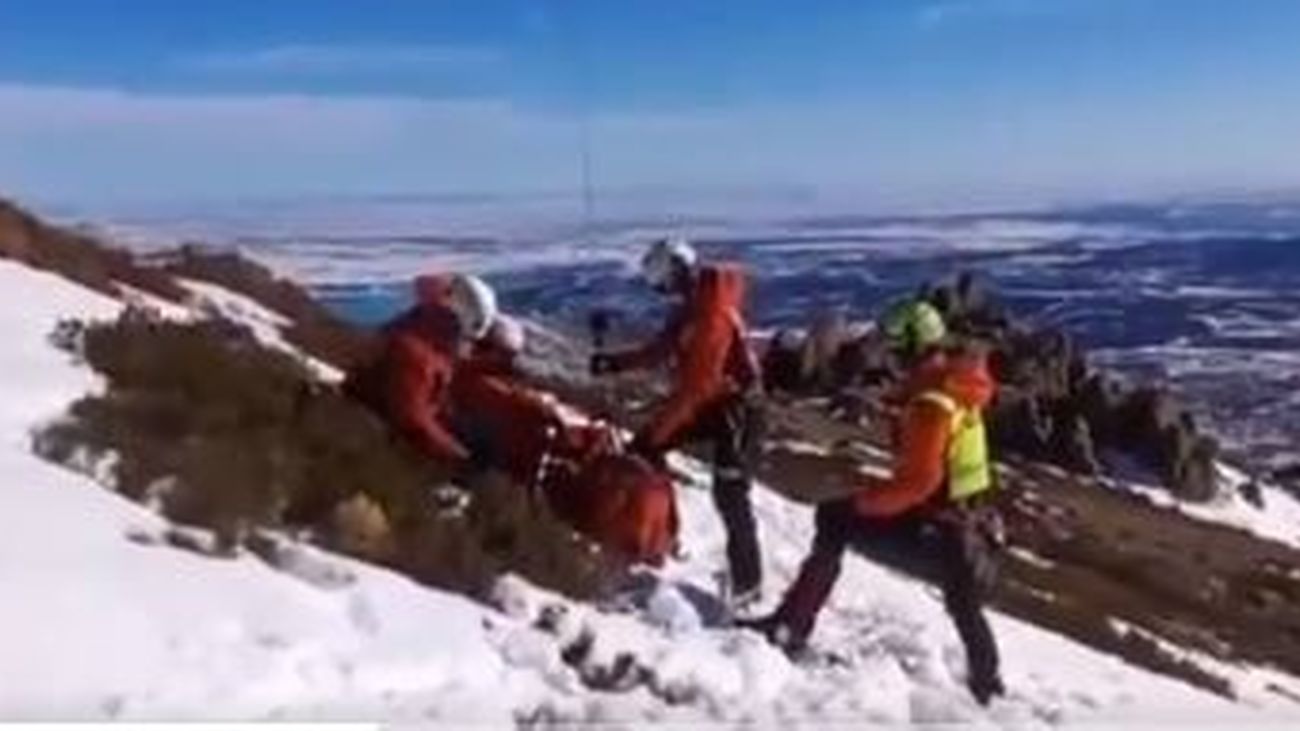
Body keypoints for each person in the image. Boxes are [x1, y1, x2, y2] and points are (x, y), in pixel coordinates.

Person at [741, 299, 1007, 706]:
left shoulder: (931, 405)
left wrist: (863, 504)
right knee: (965, 606)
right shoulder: (957, 389)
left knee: (834, 518)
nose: (887, 355)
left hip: (942, 534)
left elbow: (920, 482)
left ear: (910, 348)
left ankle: (791, 628)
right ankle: (989, 689)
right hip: (973, 537)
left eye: (894, 346)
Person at [591, 236, 765, 606]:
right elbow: (661, 350)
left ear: (675, 273)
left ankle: (748, 588)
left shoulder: (710, 313)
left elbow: (695, 389)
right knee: (646, 448)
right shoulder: (693, 305)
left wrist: (660, 428)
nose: (658, 289)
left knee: (731, 495)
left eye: (659, 280)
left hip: (737, 411)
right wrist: (615, 362)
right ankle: (659, 535)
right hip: (719, 403)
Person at [343, 272, 500, 476]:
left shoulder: (421, 334)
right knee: (479, 451)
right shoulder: (417, 353)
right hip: (379, 439)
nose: (467, 343)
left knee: (478, 436)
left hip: (376, 420)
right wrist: (459, 459)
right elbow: (412, 420)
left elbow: (429, 400)